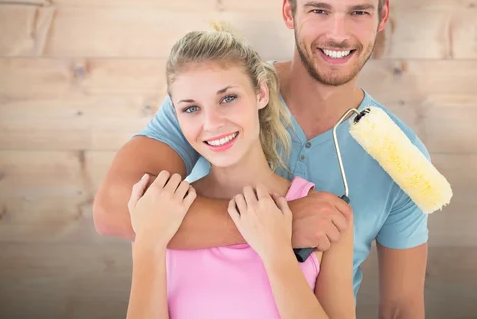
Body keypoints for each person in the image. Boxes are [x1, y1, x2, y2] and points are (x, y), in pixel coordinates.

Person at [94, 0, 428, 318]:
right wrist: (279, 223)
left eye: (358, 12)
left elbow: (402, 306)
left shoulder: (403, 158)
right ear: (289, 11)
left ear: (382, 15)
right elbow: (115, 209)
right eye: (319, 10)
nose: (337, 34)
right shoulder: (219, 97)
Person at [125, 22, 355, 319]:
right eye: (191, 108)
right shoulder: (163, 212)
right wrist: (147, 244)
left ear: (260, 93)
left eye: (228, 98)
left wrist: (277, 253)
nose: (212, 123)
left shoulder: (326, 219)